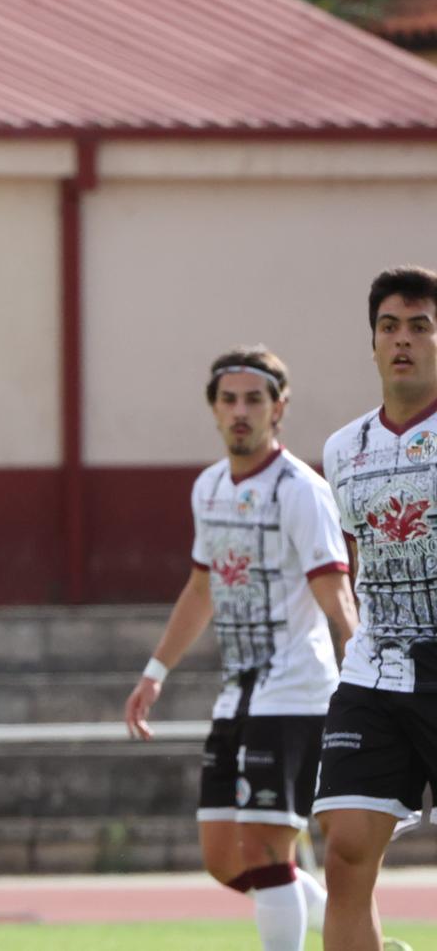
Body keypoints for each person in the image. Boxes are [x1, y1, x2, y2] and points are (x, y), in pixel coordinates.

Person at [124, 348, 357, 951]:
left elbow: (334, 590)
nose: (240, 411)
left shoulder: (301, 491)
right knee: (225, 858)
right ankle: (359, 934)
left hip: (297, 688)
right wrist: (156, 671)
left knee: (264, 845)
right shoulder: (208, 488)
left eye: (254, 399)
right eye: (229, 399)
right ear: (214, 409)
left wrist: (361, 675)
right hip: (240, 692)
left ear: (279, 408)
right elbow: (203, 586)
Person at [315, 266, 437, 951]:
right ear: (372, 343)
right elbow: (360, 558)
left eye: (420, 326)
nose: (403, 341)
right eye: (390, 327)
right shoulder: (342, 449)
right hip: (374, 671)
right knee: (345, 854)